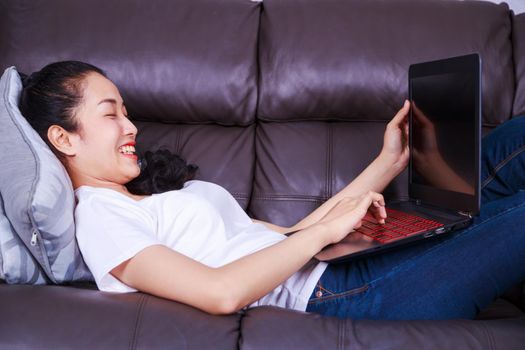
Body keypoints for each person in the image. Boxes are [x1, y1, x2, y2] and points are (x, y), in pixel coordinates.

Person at [19, 61, 525, 320]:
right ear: (62, 137)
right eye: (111, 114)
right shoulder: (99, 218)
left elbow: (293, 235)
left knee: (508, 145)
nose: (130, 126)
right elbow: (221, 294)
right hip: (344, 295)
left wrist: (388, 161)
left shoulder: (144, 201)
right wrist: (324, 232)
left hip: (339, 265)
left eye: (126, 111)